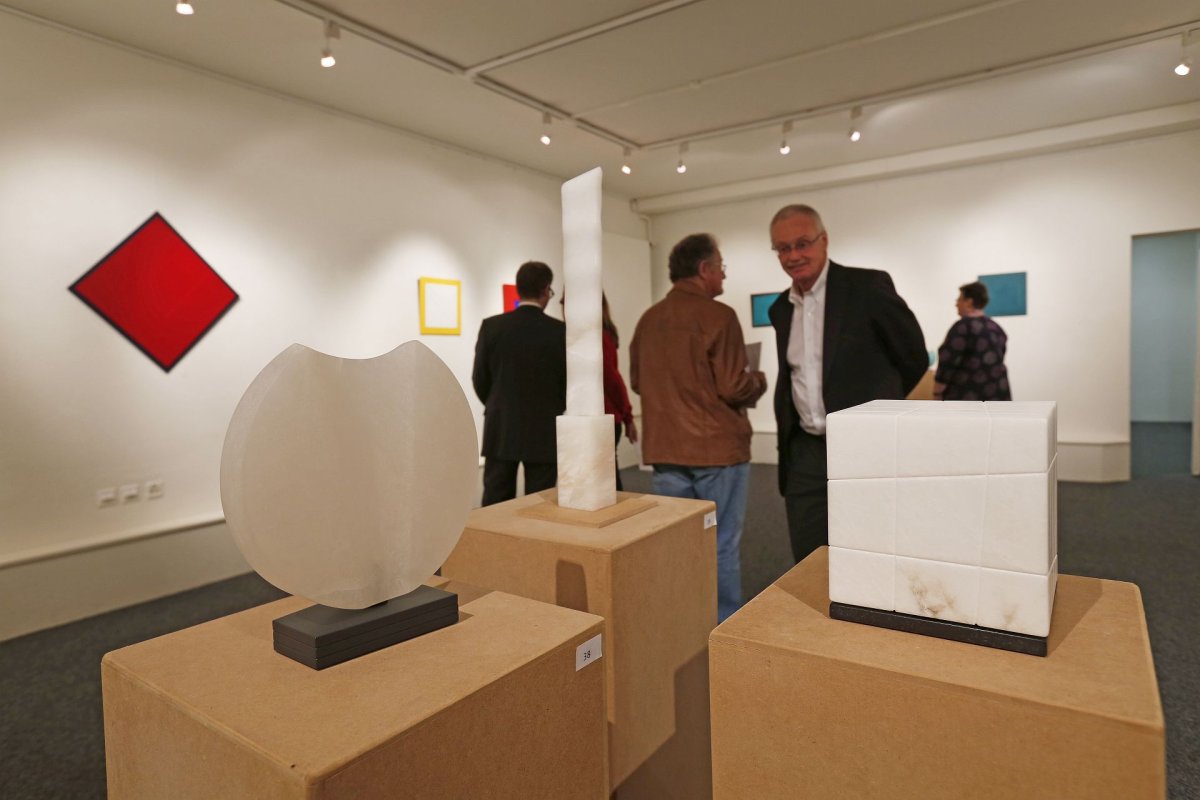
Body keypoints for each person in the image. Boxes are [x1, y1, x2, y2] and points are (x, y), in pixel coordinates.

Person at [767, 205, 927, 564]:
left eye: (802, 243)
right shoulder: (781, 308)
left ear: (824, 240)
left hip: (865, 446)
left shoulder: (867, 288)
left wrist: (880, 409)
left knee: (870, 549)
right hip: (806, 452)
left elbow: (913, 357)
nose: (793, 256)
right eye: (783, 248)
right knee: (808, 557)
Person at [630, 233, 767, 622]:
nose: (724, 274)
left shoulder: (648, 320)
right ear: (704, 269)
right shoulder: (719, 316)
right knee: (721, 543)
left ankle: (680, 625)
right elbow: (734, 386)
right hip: (717, 451)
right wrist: (758, 380)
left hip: (665, 451)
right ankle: (722, 625)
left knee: (677, 543)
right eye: (721, 266)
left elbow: (638, 381)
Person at [472, 261, 566, 506]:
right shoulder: (559, 331)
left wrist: (497, 403)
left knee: (496, 502)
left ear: (518, 289)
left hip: (501, 425)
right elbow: (566, 383)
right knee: (541, 503)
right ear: (545, 289)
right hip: (544, 426)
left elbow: (480, 378)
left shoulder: (492, 327)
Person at [933, 281, 1011, 401]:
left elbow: (947, 362)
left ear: (969, 302)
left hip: (967, 398)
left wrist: (937, 393)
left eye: (959, 299)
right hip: (997, 395)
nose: (956, 304)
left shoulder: (962, 328)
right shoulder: (995, 328)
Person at [602, 294, 637, 490]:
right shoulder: (605, 334)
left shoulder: (599, 337)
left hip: (605, 417)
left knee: (608, 483)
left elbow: (612, 378)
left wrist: (628, 416)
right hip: (608, 416)